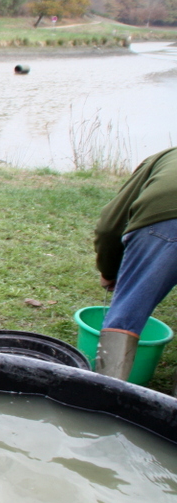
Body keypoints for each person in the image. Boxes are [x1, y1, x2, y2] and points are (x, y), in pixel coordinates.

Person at [94, 147, 177, 381]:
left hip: (165, 222)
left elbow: (110, 227)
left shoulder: (160, 159)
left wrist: (109, 272)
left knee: (127, 313)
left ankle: (105, 390)